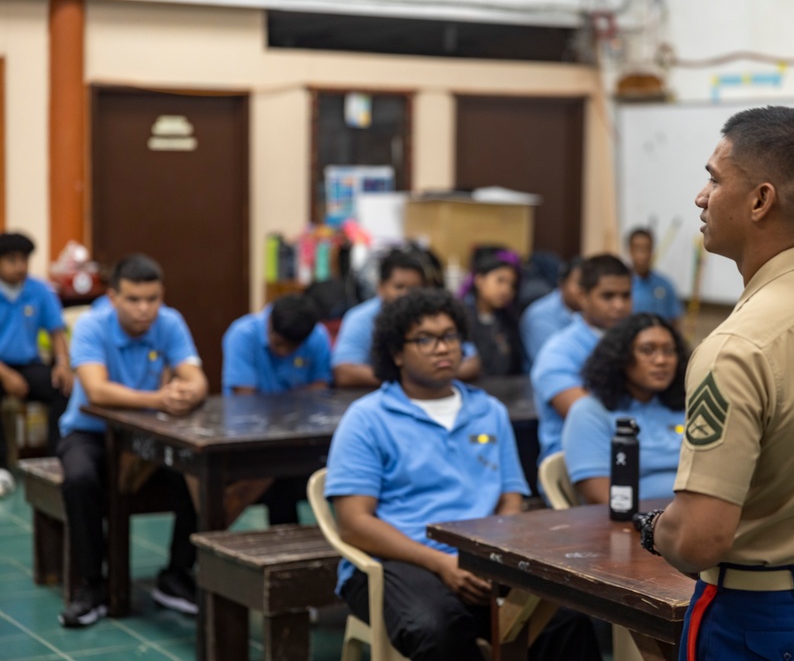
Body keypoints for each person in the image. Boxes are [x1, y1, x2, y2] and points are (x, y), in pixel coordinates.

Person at [640, 106, 794, 659]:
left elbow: (699, 539)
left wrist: (655, 528)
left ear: (760, 200)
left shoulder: (736, 347)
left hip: (764, 624)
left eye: (713, 178)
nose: (700, 197)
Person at [324, 288, 601, 661]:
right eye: (425, 339)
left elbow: (510, 499)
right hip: (398, 561)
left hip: (479, 559)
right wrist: (440, 562)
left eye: (450, 336)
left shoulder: (488, 411)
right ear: (395, 353)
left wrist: (494, 559)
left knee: (566, 621)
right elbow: (354, 524)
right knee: (440, 629)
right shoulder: (368, 417)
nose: (443, 348)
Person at [57, 254, 207, 627]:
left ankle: (175, 575)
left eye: (152, 299)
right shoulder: (92, 325)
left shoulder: (170, 322)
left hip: (149, 435)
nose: (144, 309)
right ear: (113, 298)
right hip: (89, 432)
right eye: (133, 300)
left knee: (201, 473)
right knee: (79, 480)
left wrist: (188, 393)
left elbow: (197, 377)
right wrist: (159, 399)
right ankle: (92, 584)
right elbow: (96, 391)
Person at [222, 293, 331, 524]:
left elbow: (321, 389)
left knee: (296, 477)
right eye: (279, 344)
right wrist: (298, 396)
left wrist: (275, 400)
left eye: (292, 348)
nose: (283, 353)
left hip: (297, 438)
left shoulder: (317, 336)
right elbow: (245, 400)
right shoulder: (242, 334)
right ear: (269, 323)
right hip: (247, 438)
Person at [562, 312, 687, 504]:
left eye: (669, 351)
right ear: (621, 357)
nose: (662, 360)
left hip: (694, 520)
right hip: (632, 525)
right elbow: (602, 499)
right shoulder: (590, 412)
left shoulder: (685, 407)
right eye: (647, 350)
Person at [530, 254, 632, 465]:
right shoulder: (558, 352)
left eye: (626, 295)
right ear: (583, 297)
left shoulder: (638, 343)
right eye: (608, 296)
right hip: (582, 463)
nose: (619, 305)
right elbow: (589, 423)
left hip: (639, 453)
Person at [333, 249, 480, 386]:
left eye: (415, 288)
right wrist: (412, 378)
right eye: (399, 287)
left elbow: (471, 364)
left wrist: (427, 377)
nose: (406, 295)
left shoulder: (438, 315)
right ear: (381, 287)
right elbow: (344, 373)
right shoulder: (359, 318)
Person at [0, 232, 72, 495]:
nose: (19, 266)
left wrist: (63, 363)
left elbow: (57, 332)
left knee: (63, 388)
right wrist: (5, 374)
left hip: (28, 364)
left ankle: (55, 460)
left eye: (24, 260)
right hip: (0, 367)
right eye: (11, 260)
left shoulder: (39, 290)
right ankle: (1, 467)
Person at [463, 248, 525, 376]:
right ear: (479, 280)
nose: (506, 290)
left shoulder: (510, 320)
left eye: (512, 285)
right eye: (500, 281)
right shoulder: (462, 317)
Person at [519, 256, 583, 367]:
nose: (584, 290)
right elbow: (554, 363)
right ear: (562, 284)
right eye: (579, 284)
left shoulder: (590, 311)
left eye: (590, 285)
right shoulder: (540, 316)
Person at [627, 227, 683, 325]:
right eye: (638, 248)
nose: (643, 254)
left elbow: (675, 320)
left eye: (647, 248)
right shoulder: (623, 285)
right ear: (630, 250)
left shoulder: (665, 285)